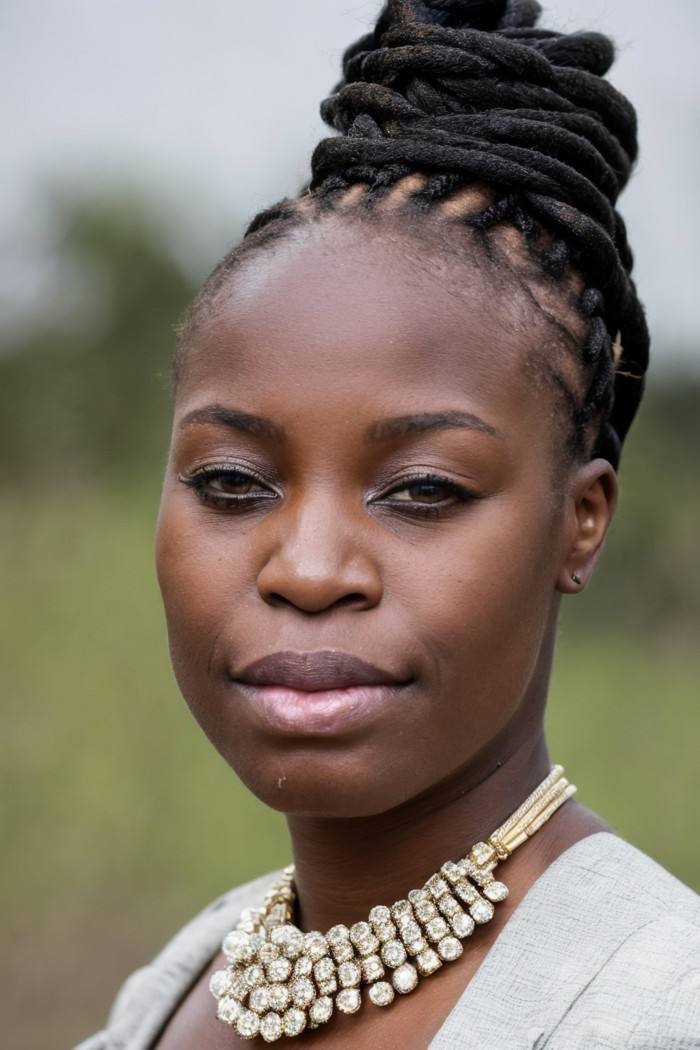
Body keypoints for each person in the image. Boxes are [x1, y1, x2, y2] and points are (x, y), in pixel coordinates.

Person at [75, 1, 699, 1047]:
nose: (309, 570)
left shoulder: (654, 1004)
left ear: (579, 522)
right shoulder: (177, 987)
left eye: (422, 490)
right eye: (232, 482)